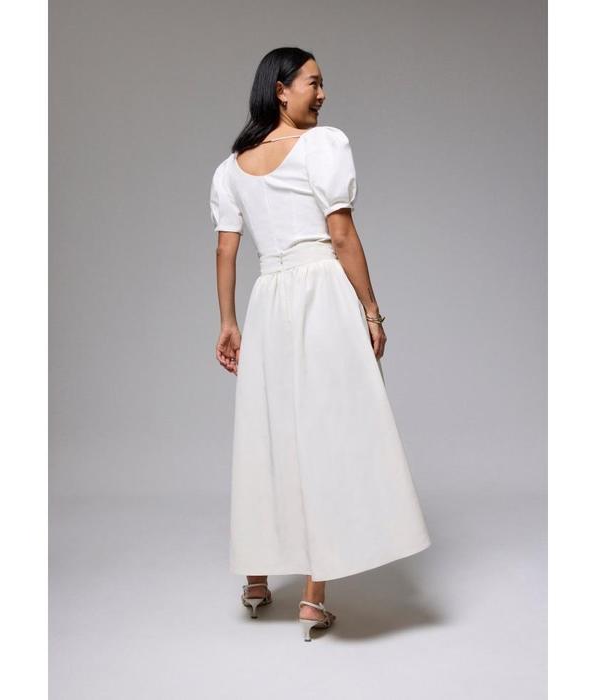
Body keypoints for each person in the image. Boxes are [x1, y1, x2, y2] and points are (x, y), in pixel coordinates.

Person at [211, 47, 431, 641]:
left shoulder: (231, 167)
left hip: (267, 298)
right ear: (281, 90)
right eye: (314, 82)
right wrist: (372, 310)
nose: (323, 93)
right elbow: (341, 235)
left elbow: (227, 248)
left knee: (267, 429)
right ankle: (313, 598)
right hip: (320, 293)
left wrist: (228, 321)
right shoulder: (324, 145)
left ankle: (257, 581)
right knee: (325, 429)